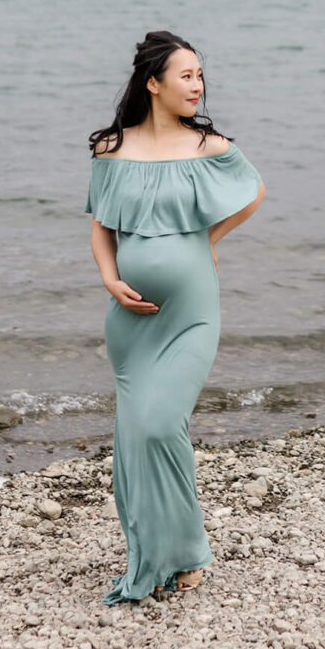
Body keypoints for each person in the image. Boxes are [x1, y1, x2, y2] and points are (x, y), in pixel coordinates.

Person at [86, 31, 265, 603]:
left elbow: (254, 190)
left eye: (200, 75)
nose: (197, 86)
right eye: (185, 76)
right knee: (138, 436)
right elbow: (100, 226)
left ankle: (188, 551)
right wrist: (110, 278)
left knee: (164, 423)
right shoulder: (112, 148)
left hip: (191, 313)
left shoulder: (208, 146)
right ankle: (161, 551)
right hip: (130, 323)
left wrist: (207, 240)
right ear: (153, 83)